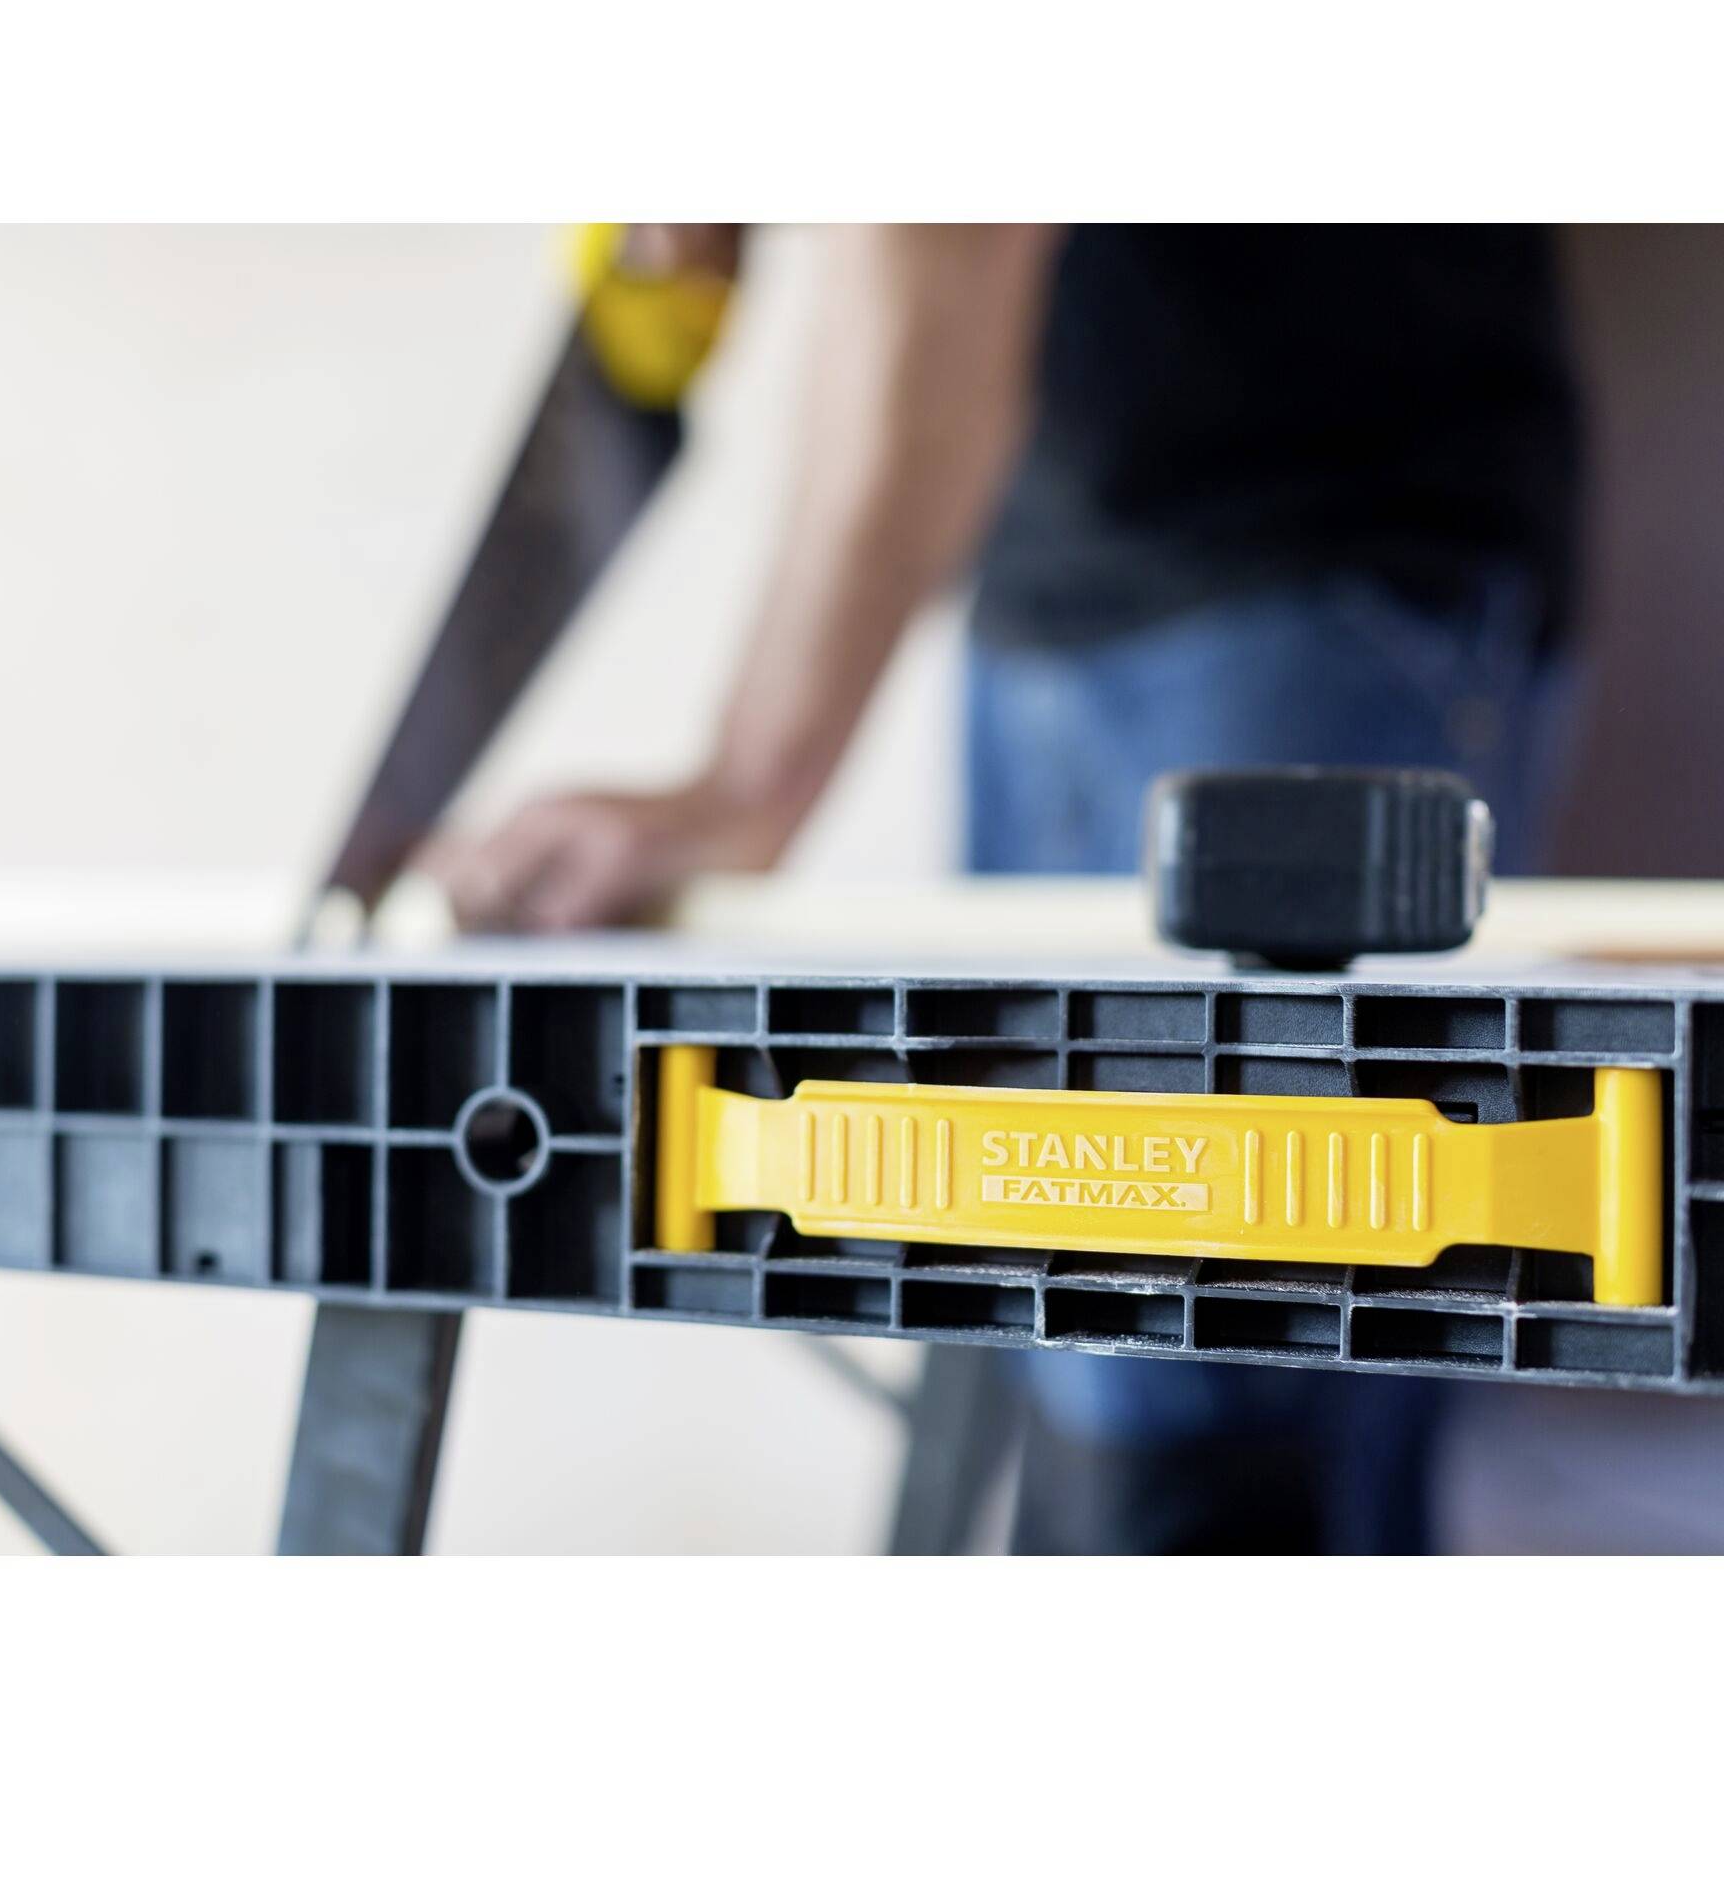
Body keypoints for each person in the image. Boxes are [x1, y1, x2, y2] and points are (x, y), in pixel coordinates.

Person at [422, 224, 1584, 1554]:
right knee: (1067, 1334)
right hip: (1057, 576)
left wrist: (753, 777)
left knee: (1205, 1394)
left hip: (1306, 560)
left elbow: (947, 230)